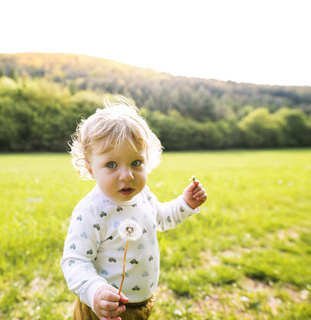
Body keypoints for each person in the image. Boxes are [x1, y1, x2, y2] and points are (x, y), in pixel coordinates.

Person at [61, 96, 208, 320]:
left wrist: (185, 204)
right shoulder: (90, 211)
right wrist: (94, 291)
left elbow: (161, 218)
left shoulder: (143, 196)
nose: (127, 175)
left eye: (136, 163)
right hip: (103, 309)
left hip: (142, 302)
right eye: (111, 164)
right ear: (90, 169)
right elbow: (75, 260)